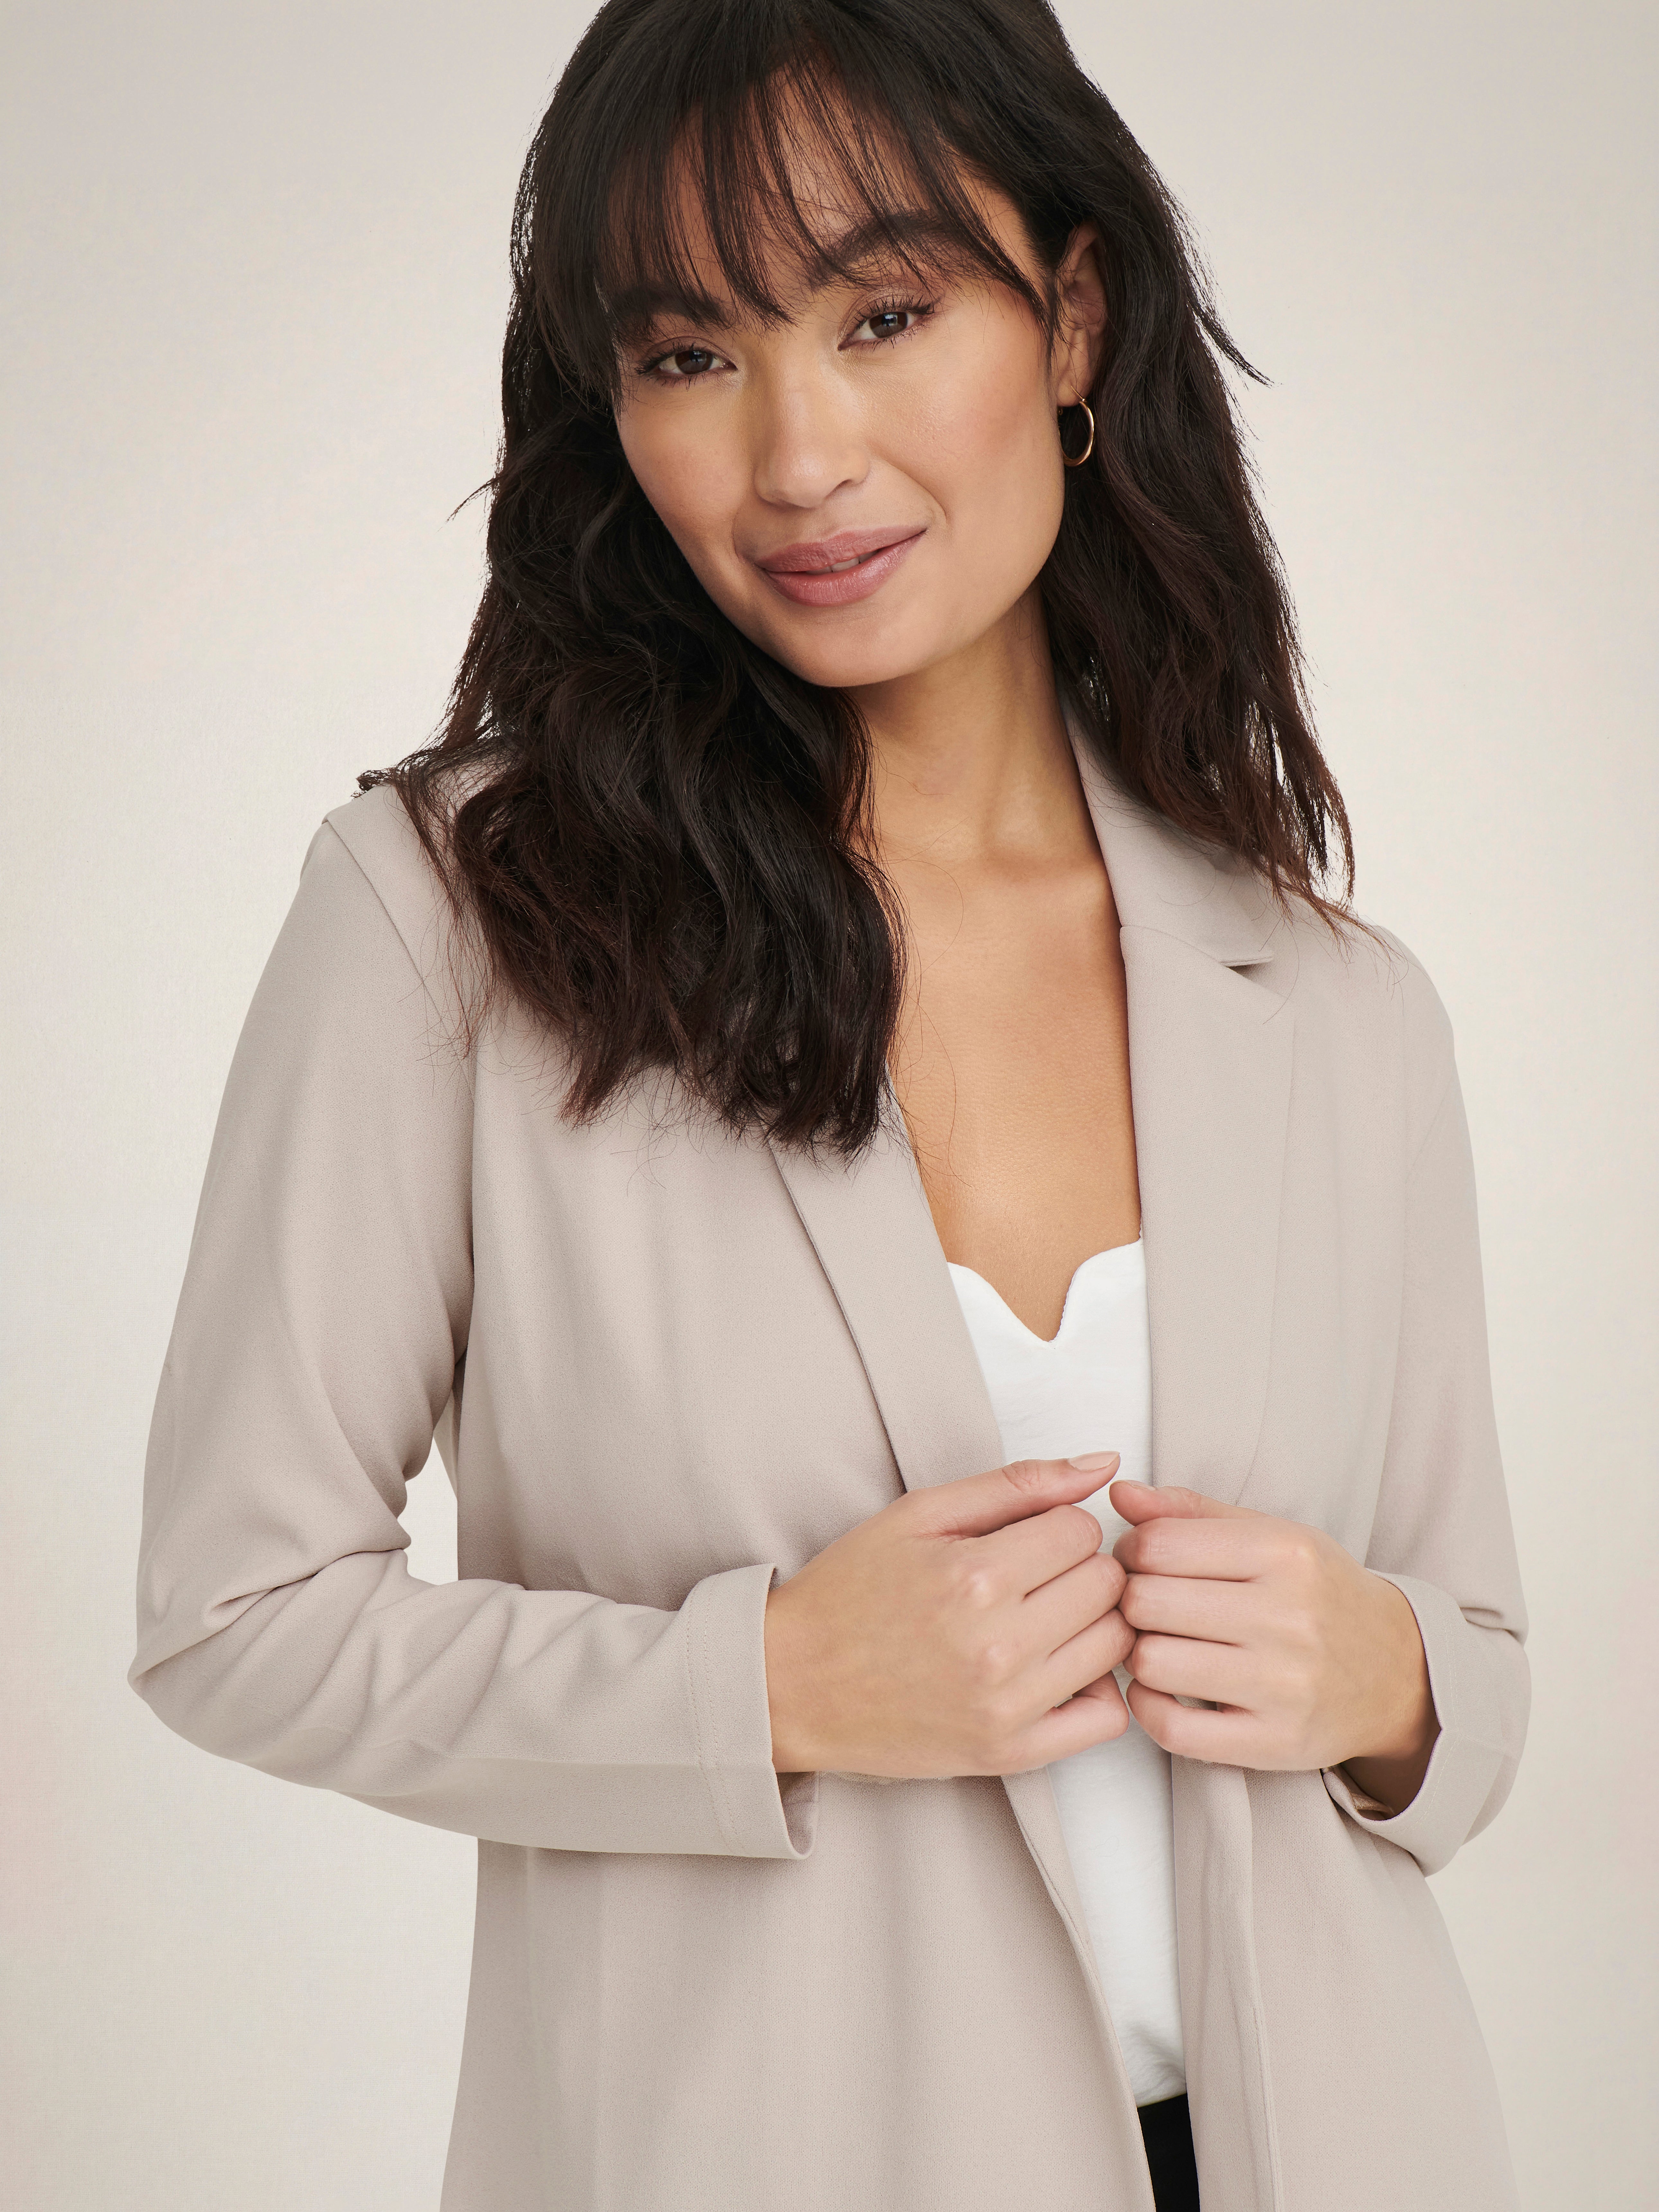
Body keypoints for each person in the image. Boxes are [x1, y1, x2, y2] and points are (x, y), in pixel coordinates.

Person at [129, 3, 1529, 2208]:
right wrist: (764, 1684)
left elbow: (1478, 1677)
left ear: (1073, 317)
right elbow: (234, 1613)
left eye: (885, 315)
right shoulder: (457, 923)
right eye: (692, 354)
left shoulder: (1341, 1007)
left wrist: (1388, 1670)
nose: (796, 456)